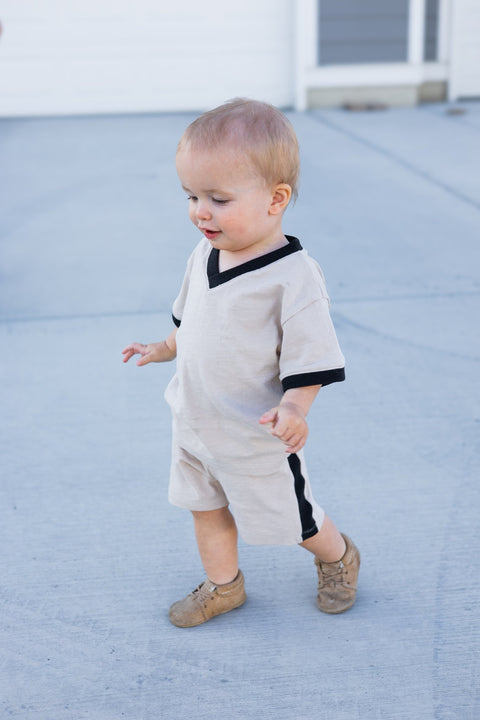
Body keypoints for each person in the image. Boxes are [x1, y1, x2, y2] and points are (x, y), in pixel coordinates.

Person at [122, 98, 360, 628]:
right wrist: (162, 348)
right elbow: (192, 323)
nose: (200, 211)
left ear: (276, 199)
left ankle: (338, 556)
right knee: (205, 510)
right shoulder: (203, 254)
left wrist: (294, 409)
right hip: (194, 424)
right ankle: (224, 586)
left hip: (255, 437)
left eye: (219, 199)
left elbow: (311, 362)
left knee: (294, 521)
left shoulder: (293, 278)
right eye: (191, 195)